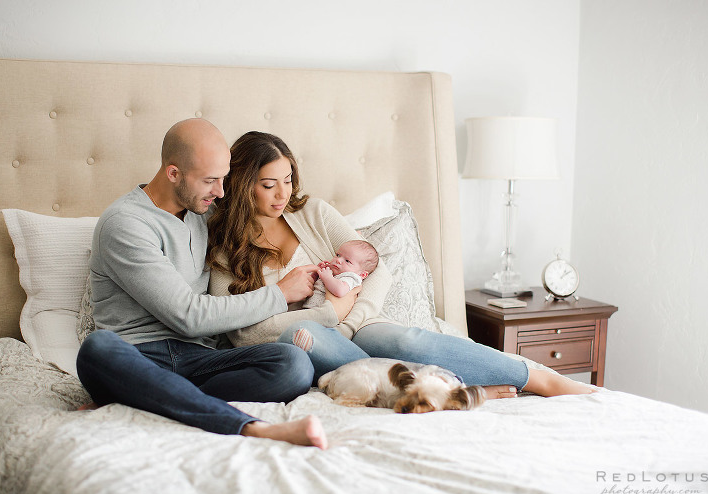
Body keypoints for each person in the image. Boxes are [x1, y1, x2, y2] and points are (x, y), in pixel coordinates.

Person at [208, 131, 596, 399]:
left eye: (288, 180)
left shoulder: (313, 213)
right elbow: (244, 335)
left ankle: (539, 378)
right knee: (302, 337)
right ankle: (448, 390)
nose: (282, 194)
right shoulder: (225, 243)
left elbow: (375, 268)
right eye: (268, 184)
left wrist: (349, 321)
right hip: (308, 341)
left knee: (408, 341)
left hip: (357, 326)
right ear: (243, 184)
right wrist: (330, 316)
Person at [76, 119, 327, 449]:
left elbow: (267, 209)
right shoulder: (126, 224)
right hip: (138, 356)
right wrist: (279, 294)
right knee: (97, 349)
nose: (220, 192)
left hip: (202, 360)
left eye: (223, 178)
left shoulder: (206, 211)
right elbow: (189, 316)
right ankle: (253, 429)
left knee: (293, 365)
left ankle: (145, 397)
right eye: (210, 180)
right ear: (173, 173)